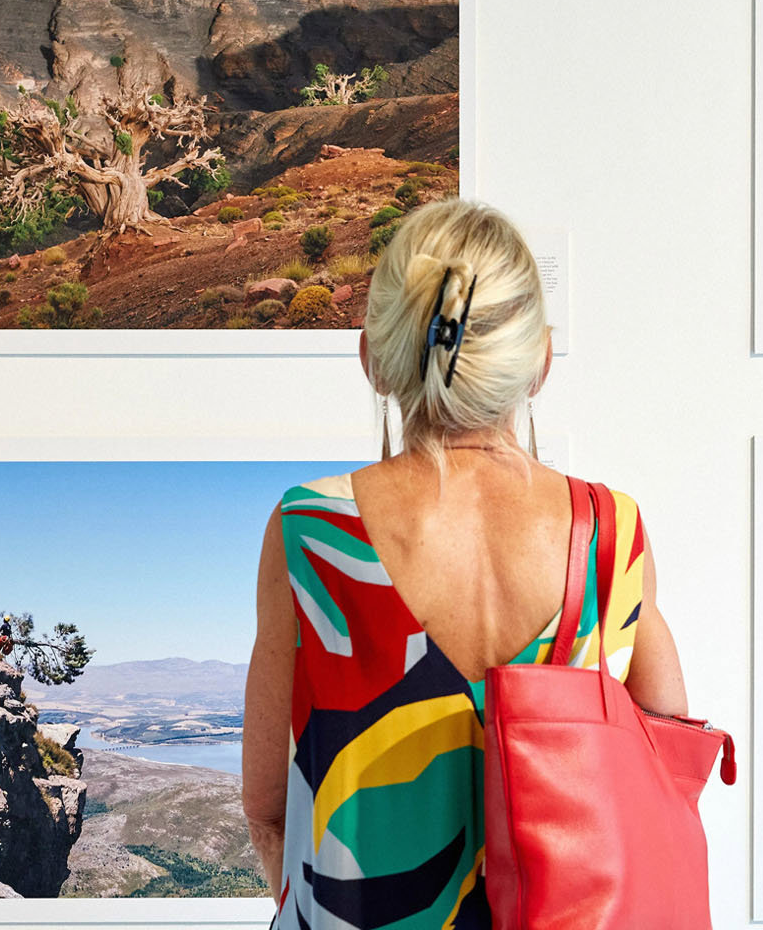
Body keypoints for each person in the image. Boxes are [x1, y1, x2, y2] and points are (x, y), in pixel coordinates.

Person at [241, 199, 690, 928]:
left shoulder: (311, 532)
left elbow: (267, 808)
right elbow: (668, 781)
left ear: (372, 359)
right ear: (540, 360)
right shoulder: (613, 535)